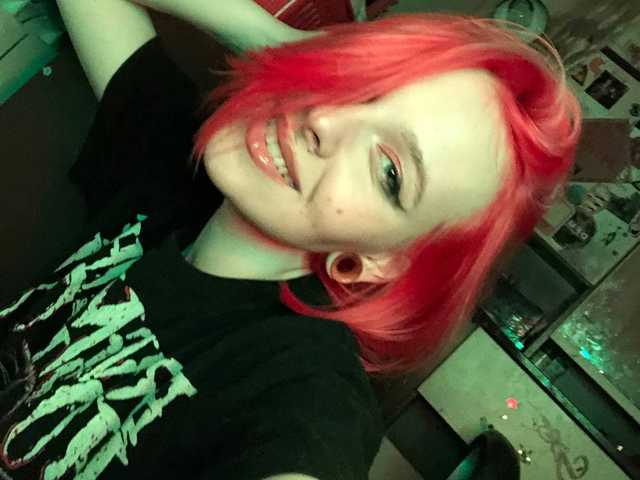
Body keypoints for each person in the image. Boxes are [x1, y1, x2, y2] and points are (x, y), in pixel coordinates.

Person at [0, 1, 581, 479]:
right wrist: (279, 42)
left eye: (389, 172)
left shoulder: (302, 393)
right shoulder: (174, 167)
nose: (323, 121)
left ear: (377, 261)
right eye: (358, 86)